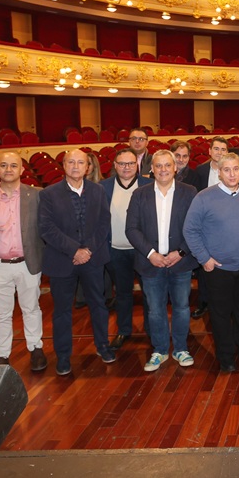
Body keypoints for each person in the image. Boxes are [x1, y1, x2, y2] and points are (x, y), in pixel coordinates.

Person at [183, 153, 239, 372]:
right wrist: (204, 258)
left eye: (236, 169)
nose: (232, 174)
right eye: (226, 170)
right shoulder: (203, 197)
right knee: (220, 315)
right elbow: (190, 230)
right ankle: (225, 355)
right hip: (217, 268)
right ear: (219, 172)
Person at [38, 149, 114, 376]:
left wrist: (87, 249)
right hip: (62, 259)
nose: (75, 166)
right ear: (63, 165)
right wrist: (75, 250)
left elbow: (104, 223)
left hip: (93, 258)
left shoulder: (98, 191)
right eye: (71, 162)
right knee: (62, 311)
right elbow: (46, 228)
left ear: (88, 167)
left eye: (81, 162)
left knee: (98, 305)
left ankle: (103, 346)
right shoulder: (48, 194)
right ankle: (63, 356)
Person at [125, 150, 199, 371]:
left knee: (182, 307)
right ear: (152, 169)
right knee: (155, 310)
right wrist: (151, 254)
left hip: (181, 263)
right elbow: (131, 229)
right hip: (151, 264)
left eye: (168, 165)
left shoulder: (190, 192)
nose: (163, 169)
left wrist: (181, 252)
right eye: (159, 166)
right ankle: (159, 350)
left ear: (175, 168)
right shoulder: (140, 194)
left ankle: (181, 349)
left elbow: (196, 227)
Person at [0, 152, 46, 370]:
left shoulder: (38, 195)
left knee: (31, 308)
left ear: (22, 170)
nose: (8, 169)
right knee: (0, 313)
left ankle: (36, 347)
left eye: (13, 165)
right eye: (3, 165)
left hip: (28, 262)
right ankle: (2, 354)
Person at [99, 149, 152, 351]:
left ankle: (151, 329)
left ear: (137, 165)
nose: (126, 167)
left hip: (144, 251)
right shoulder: (103, 187)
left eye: (130, 163)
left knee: (149, 292)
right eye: (122, 163)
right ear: (115, 165)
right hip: (116, 251)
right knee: (122, 293)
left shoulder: (149, 185)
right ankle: (124, 330)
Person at [189, 136, 229, 319]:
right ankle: (204, 302)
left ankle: (225, 302)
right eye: (216, 149)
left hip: (226, 224)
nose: (219, 152)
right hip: (205, 225)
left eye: (223, 149)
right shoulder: (200, 171)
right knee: (204, 264)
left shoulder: (232, 170)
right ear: (210, 151)